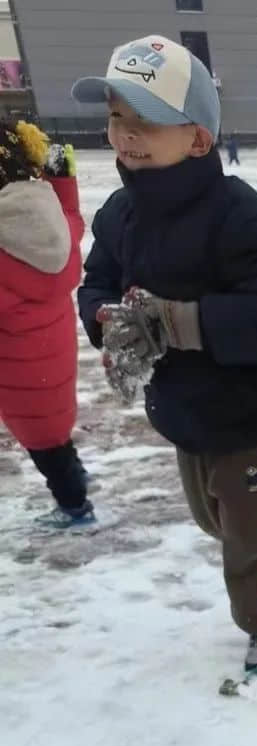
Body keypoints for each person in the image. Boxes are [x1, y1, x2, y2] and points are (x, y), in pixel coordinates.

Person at [72, 35, 257, 676]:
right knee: (213, 519)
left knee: (249, 532)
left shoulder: (244, 219)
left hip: (247, 413)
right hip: (183, 409)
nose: (124, 135)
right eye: (116, 118)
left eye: (145, 120)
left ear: (199, 140)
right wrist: (106, 320)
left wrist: (176, 323)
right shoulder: (122, 215)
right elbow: (95, 281)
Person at [0, 120, 95, 529]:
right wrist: (62, 178)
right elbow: (73, 216)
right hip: (52, 366)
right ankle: (75, 478)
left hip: (20, 383)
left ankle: (76, 508)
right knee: (57, 436)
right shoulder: (48, 218)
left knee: (47, 449)